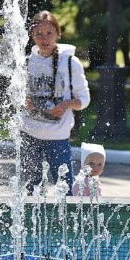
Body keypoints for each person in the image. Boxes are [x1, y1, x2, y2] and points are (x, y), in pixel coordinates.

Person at [21, 11, 90, 195]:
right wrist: (24, 101)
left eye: (49, 33)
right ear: (32, 36)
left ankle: (66, 223)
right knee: (30, 191)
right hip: (29, 134)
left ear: (58, 33)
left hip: (58, 136)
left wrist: (66, 104)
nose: (45, 39)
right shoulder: (26, 63)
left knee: (65, 188)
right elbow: (15, 95)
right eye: (39, 34)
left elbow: (84, 100)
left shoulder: (70, 62)